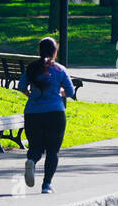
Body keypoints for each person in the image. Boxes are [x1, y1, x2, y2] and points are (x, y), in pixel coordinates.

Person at [17, 37, 75, 193]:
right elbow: (70, 91)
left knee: (35, 147)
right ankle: (46, 185)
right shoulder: (60, 70)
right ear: (55, 51)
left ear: (39, 50)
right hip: (55, 113)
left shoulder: (31, 68)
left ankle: (32, 161)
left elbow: (21, 86)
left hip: (32, 113)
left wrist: (30, 94)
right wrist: (61, 92)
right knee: (52, 150)